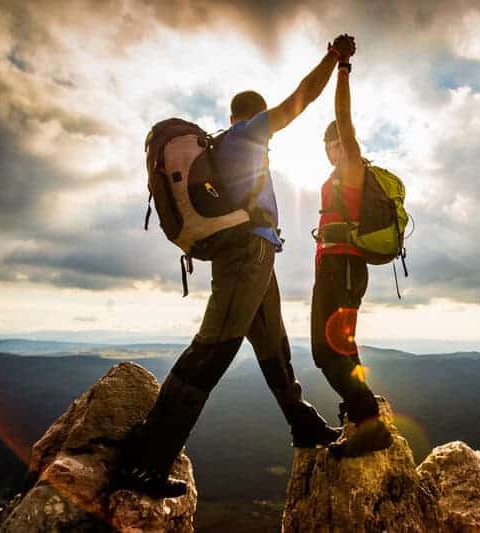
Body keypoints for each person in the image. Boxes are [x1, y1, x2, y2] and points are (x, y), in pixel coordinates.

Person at [114, 35, 358, 498]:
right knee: (212, 350)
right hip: (245, 257)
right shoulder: (248, 135)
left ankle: (303, 424)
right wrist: (335, 60)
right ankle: (145, 462)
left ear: (228, 116)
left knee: (275, 349)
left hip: (257, 258)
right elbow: (301, 99)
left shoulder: (225, 143)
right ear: (250, 117)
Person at [312, 37, 393, 458]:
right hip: (338, 267)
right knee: (342, 347)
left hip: (342, 268)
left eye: (336, 141)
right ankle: (360, 413)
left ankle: (368, 424)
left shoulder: (353, 165)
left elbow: (343, 117)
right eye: (328, 143)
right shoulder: (339, 177)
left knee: (324, 351)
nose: (333, 147)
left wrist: (342, 68)